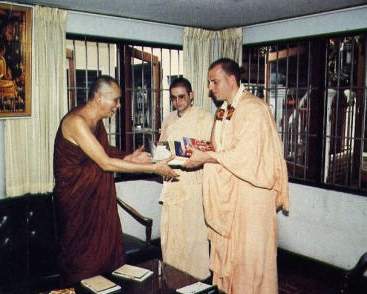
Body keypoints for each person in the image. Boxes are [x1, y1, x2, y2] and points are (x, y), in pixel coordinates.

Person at [53, 75, 178, 286]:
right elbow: (105, 163)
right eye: (116, 100)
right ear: (99, 97)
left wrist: (126, 157)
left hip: (97, 201)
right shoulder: (76, 122)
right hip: (78, 204)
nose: (119, 106)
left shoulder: (96, 122)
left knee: (108, 265)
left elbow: (101, 152)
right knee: (83, 267)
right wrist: (152, 167)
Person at [183, 58, 289, 294]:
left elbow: (248, 156)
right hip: (230, 197)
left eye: (214, 82)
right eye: (210, 82)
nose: (211, 88)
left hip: (252, 199)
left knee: (250, 263)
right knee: (231, 260)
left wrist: (207, 157)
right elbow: (218, 148)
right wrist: (197, 153)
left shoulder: (254, 109)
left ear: (231, 80)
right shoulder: (223, 111)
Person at [158, 77, 213, 280]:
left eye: (182, 97)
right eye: (173, 98)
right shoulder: (169, 119)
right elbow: (162, 148)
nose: (178, 102)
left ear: (191, 95)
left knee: (193, 237)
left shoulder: (204, 118)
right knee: (172, 236)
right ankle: (173, 279)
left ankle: (198, 281)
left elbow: (211, 149)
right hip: (172, 182)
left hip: (194, 183)